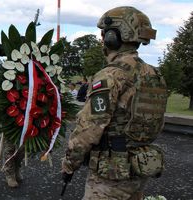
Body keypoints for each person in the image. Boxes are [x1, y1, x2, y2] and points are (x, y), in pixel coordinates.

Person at [62, 6, 167, 200]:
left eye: (104, 33)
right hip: (140, 167)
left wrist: (70, 163)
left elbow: (89, 128)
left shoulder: (111, 75)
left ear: (113, 36)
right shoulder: (154, 74)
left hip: (111, 175)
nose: (102, 39)